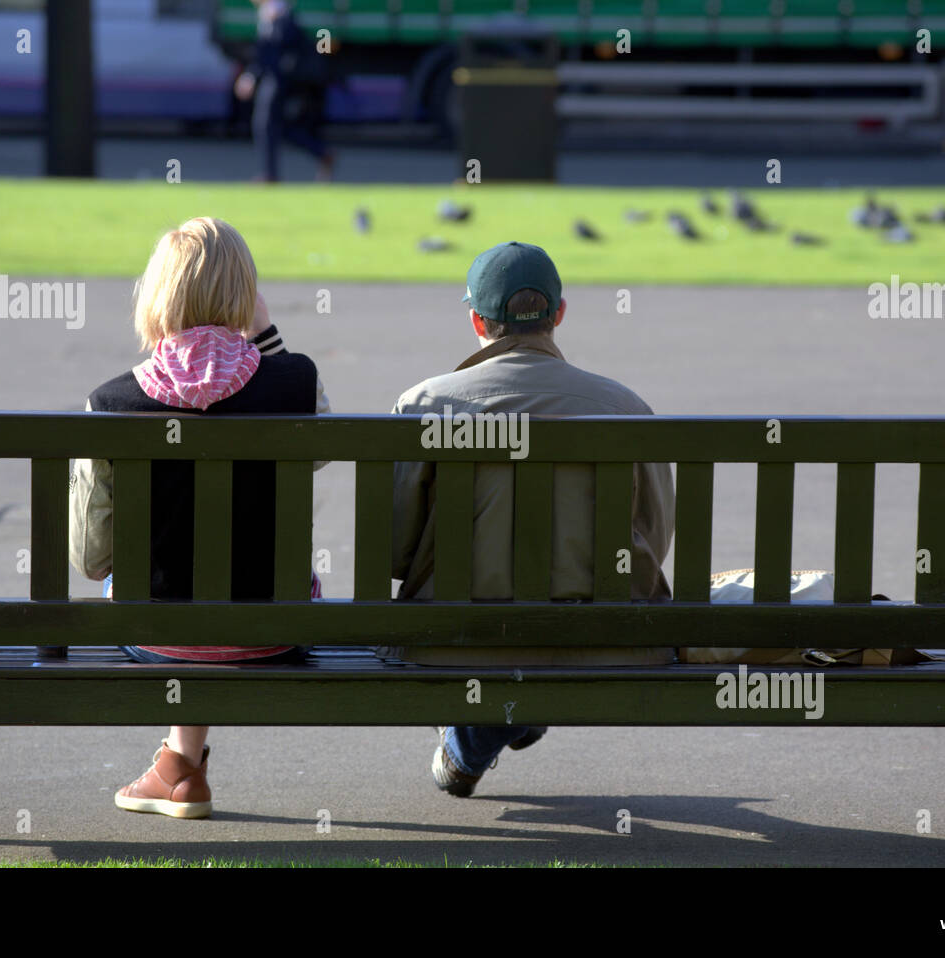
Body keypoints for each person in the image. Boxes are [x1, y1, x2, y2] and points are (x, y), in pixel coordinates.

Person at [385, 241, 675, 797]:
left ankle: (494, 721)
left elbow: (395, 551)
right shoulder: (625, 407)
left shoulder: (423, 404)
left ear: (476, 319)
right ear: (559, 315)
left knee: (489, 634)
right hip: (605, 638)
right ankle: (501, 718)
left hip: (450, 637)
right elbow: (652, 541)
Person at [69, 216, 329, 819]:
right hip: (274, 628)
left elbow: (90, 560)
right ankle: (178, 767)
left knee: (172, 588)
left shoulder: (111, 403)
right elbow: (317, 450)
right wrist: (265, 335)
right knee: (227, 582)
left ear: (157, 295)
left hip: (156, 633)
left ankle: (177, 766)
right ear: (246, 296)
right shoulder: (295, 383)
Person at [233, 0, 334, 183]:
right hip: (277, 78)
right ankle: (321, 152)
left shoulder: (278, 15)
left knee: (265, 124)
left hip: (278, 79)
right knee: (278, 127)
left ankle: (270, 175)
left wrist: (252, 76)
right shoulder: (273, 14)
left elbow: (271, 52)